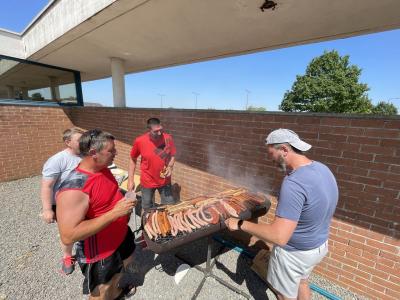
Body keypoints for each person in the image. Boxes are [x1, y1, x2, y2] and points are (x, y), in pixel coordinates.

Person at [225, 128, 338, 300]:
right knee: (302, 282)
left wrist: (239, 224)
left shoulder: (294, 183)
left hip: (294, 255)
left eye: (272, 153)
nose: (271, 160)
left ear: (284, 149)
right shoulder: (322, 169)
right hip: (318, 247)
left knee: (283, 295)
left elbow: (279, 237)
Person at [56, 129, 137, 299]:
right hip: (100, 250)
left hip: (121, 235)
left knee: (119, 271)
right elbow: (68, 235)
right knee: (100, 290)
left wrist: (123, 204)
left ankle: (116, 293)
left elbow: (106, 197)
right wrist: (115, 213)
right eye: (111, 150)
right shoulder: (74, 188)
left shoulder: (103, 167)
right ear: (93, 153)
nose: (116, 153)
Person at [41, 128, 82, 274]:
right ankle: (67, 257)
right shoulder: (57, 160)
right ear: (68, 142)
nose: (83, 142)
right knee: (68, 234)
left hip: (81, 203)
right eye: (79, 140)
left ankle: (86, 250)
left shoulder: (85, 156)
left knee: (84, 229)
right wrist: (47, 209)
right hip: (63, 206)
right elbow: (47, 186)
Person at [128, 118, 177, 210]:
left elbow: (173, 154)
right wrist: (131, 180)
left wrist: (170, 166)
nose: (159, 133)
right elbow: (132, 159)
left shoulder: (168, 138)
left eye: (161, 130)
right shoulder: (140, 141)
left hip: (164, 180)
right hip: (147, 181)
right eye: (156, 131)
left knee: (170, 207)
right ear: (149, 130)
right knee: (147, 209)